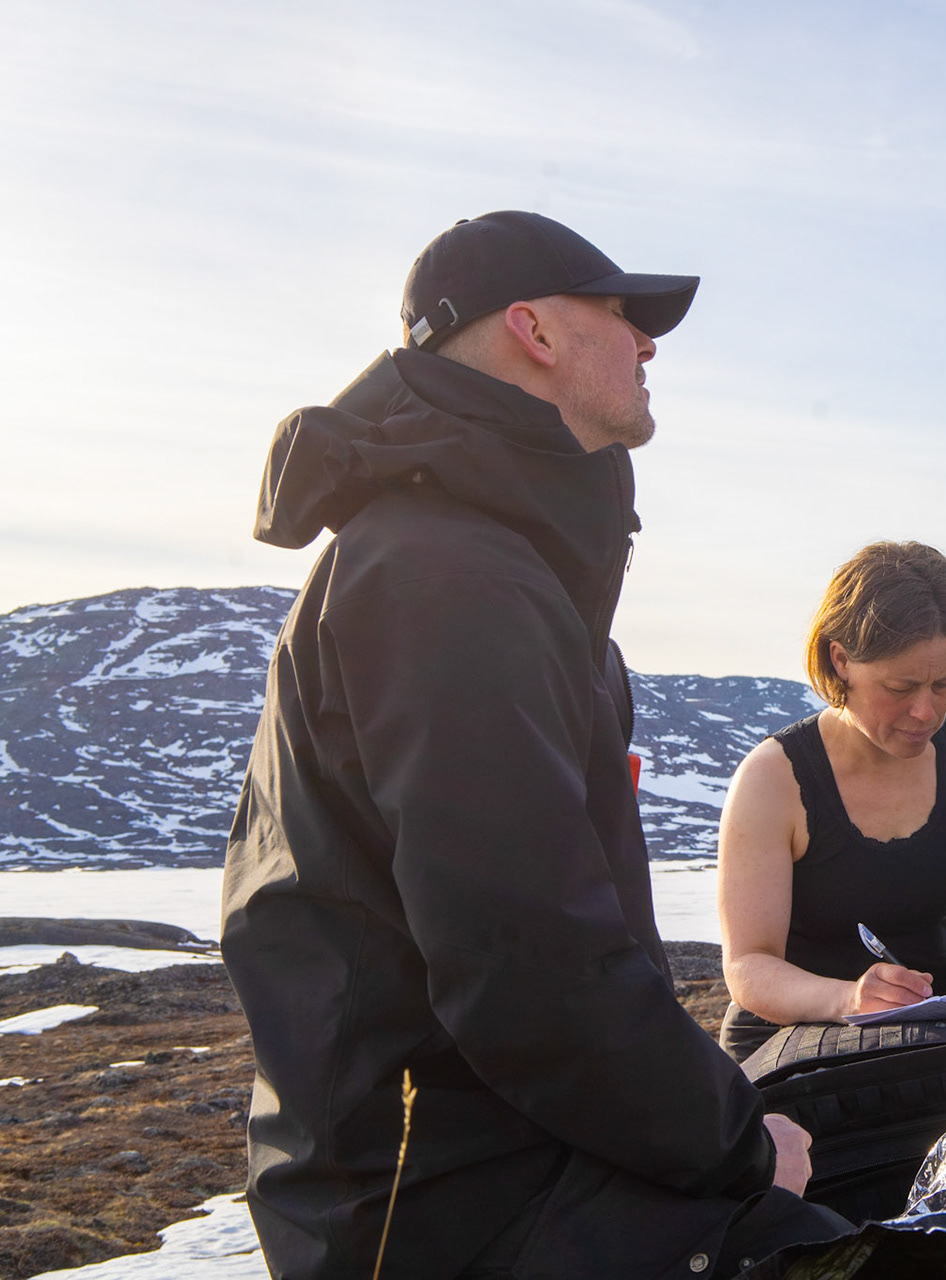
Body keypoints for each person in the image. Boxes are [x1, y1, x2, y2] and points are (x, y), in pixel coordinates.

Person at [222, 211, 848, 1280]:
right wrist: (738, 1146)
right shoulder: (444, 576)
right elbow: (524, 963)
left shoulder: (497, 565)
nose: (647, 343)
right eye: (621, 313)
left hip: (517, 1158)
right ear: (534, 330)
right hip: (440, 1205)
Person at [716, 541, 946, 1062]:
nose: (925, 711)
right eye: (900, 687)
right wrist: (850, 1000)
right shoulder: (772, 778)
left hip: (933, 1032)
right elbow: (748, 965)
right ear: (840, 660)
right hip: (788, 1044)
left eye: (943, 684)